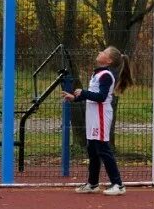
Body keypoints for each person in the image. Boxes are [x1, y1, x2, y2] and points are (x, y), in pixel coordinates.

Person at [62, 46, 133, 196]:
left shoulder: (106, 75)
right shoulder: (98, 74)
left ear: (108, 60)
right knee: (93, 150)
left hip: (101, 116)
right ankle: (93, 183)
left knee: (103, 149)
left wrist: (83, 92)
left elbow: (101, 97)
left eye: (104, 52)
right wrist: (75, 97)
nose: (99, 52)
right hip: (93, 116)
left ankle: (118, 184)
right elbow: (93, 94)